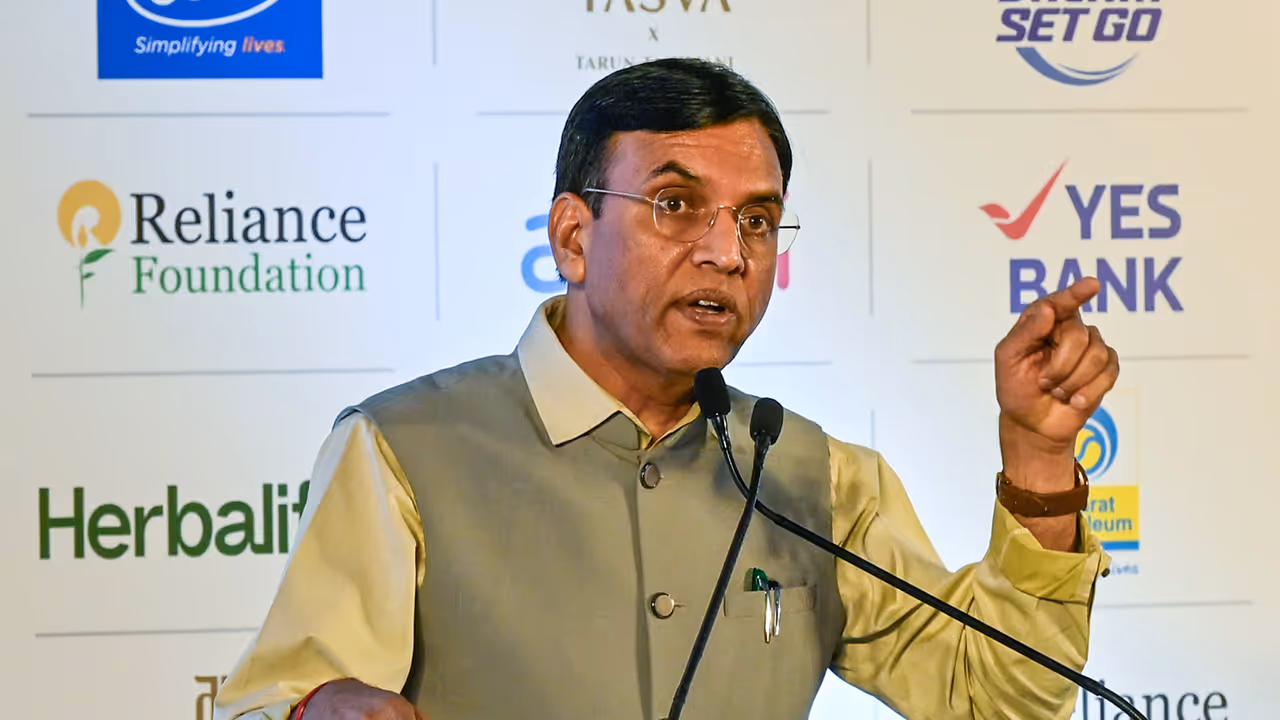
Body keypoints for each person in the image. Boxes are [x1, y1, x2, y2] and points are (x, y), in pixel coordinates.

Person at [214, 58, 1117, 720]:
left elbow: (995, 699)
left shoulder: (816, 475)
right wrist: (314, 708)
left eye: (757, 219)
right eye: (676, 205)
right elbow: (279, 700)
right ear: (572, 237)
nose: (727, 252)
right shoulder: (405, 448)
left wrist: (1038, 461)